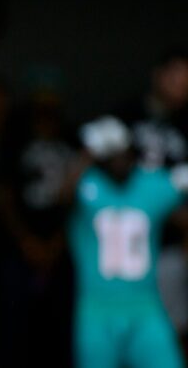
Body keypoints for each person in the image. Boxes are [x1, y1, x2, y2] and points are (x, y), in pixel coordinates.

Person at [68, 115, 186, 368]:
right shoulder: (88, 183)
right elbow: (60, 198)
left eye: (122, 150)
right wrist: (88, 151)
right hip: (95, 308)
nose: (119, 159)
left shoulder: (150, 184)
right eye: (110, 153)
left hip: (146, 306)